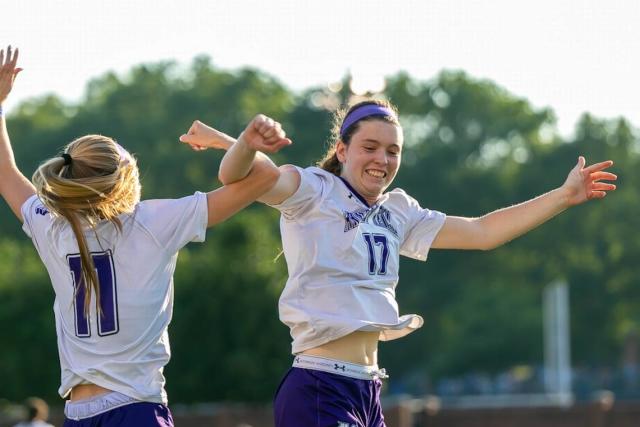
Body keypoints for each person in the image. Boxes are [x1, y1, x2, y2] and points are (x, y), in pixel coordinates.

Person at [184, 97, 617, 426]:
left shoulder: (399, 211)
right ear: (342, 149)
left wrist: (565, 196)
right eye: (370, 147)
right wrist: (240, 142)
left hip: (368, 389)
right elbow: (235, 175)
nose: (382, 159)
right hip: (319, 386)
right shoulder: (312, 190)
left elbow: (484, 233)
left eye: (393, 151)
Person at [0, 46, 291, 427]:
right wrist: (233, 142)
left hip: (77, 413)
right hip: (137, 409)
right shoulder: (153, 221)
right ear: (123, 182)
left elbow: (6, 171)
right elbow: (267, 177)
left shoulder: (53, 226)